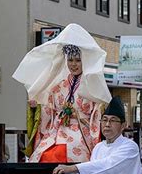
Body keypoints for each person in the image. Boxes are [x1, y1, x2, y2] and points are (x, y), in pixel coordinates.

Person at [13, 24, 111, 163]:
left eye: (78, 60)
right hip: (57, 129)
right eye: (70, 60)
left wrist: (85, 114)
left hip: (81, 131)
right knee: (43, 154)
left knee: (71, 153)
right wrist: (37, 107)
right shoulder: (58, 87)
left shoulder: (92, 86)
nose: (73, 64)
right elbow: (49, 110)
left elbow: (97, 114)